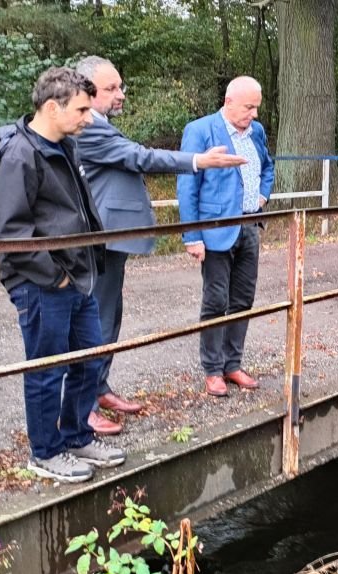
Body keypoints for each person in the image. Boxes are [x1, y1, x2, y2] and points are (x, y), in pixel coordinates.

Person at [73, 56, 248, 435]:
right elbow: (140, 157)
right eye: (111, 88)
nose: (121, 94)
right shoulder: (88, 128)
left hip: (112, 239)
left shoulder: (98, 125)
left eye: (120, 86)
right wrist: (198, 160)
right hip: (101, 238)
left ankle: (99, 389)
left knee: (109, 317)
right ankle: (81, 408)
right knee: (97, 321)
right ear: (85, 91)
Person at [0, 67, 126, 483]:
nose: (88, 117)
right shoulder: (19, 154)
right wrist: (55, 275)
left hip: (77, 274)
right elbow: (9, 232)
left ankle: (77, 435)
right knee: (48, 369)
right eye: (81, 109)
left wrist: (83, 265)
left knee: (86, 359)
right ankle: (45, 452)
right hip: (44, 283)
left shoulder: (64, 144)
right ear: (52, 107)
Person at [177, 76, 275, 397]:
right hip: (216, 230)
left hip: (249, 226)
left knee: (243, 300)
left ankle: (233, 364)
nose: (254, 114)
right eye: (249, 107)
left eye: (257, 107)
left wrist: (262, 195)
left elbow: (268, 167)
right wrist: (192, 236)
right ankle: (212, 370)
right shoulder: (201, 130)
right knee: (216, 300)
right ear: (229, 101)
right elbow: (187, 186)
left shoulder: (256, 132)